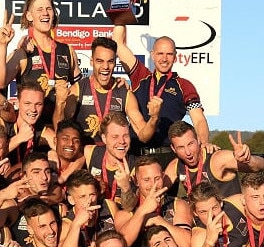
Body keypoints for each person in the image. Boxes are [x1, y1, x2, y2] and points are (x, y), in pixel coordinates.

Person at [112, 25, 209, 166]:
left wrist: (204, 142)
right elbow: (118, 43)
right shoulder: (140, 76)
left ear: (175, 57)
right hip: (135, 153)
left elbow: (199, 119)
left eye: (169, 54)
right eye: (160, 54)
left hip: (167, 157)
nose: (164, 59)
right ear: (152, 55)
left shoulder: (184, 85)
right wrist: (121, 12)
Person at [53, 37, 161, 146]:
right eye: (100, 61)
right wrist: (59, 104)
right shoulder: (78, 89)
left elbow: (143, 136)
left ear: (115, 63)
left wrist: (154, 118)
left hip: (113, 158)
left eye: (110, 61)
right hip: (86, 157)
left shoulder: (125, 93)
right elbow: (61, 131)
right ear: (92, 62)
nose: (105, 67)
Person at [0, 0, 82, 124]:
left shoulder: (67, 51)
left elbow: (81, 89)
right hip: (31, 129)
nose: (45, 13)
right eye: (39, 9)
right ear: (29, 16)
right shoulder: (23, 52)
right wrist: (2, 44)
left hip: (59, 126)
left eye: (49, 9)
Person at [115, 155, 192, 247]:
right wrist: (142, 211)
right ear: (136, 181)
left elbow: (185, 244)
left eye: (157, 178)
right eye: (146, 180)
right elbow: (123, 243)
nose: (153, 184)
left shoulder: (178, 204)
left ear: (163, 176)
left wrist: (158, 219)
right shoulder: (126, 212)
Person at [164, 120, 264, 198]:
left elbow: (263, 165)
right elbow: (156, 190)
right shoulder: (175, 166)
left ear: (198, 140)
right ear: (173, 149)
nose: (188, 152)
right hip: (201, 222)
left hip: (230, 221)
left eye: (191, 144)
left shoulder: (217, 159)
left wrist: (248, 160)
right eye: (181, 147)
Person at [83, 111, 136, 211]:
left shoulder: (135, 167)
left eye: (125, 136)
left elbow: (129, 208)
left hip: (120, 221)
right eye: (115, 137)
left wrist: (126, 188)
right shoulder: (90, 152)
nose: (122, 141)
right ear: (104, 138)